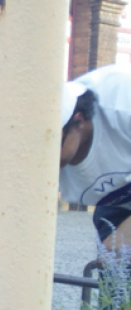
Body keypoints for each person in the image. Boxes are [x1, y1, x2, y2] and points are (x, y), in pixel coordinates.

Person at [60, 64, 131, 251]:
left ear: (78, 122)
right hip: (114, 202)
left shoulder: (122, 100)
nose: (46, 160)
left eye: (53, 145)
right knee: (113, 265)